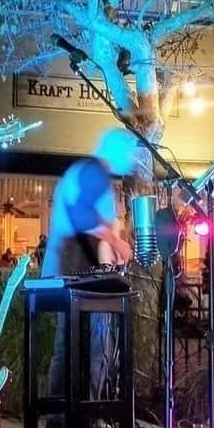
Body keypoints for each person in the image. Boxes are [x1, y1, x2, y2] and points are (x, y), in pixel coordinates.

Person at [41, 128, 140, 412]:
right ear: (117, 150)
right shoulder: (95, 172)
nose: (133, 160)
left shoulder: (80, 170)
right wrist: (118, 244)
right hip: (81, 275)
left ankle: (59, 413)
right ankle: (91, 413)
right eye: (130, 152)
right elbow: (82, 216)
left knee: (66, 345)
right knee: (97, 345)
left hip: (61, 271)